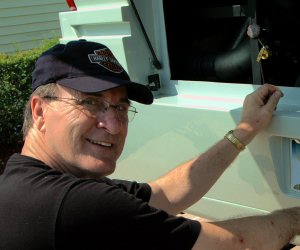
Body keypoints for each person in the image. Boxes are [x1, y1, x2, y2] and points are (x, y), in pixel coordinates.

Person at [0, 39, 299, 250]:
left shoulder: (27, 184)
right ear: (40, 111)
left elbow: (165, 194)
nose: (115, 126)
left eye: (120, 107)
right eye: (91, 103)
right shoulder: (73, 205)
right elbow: (239, 245)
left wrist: (245, 130)